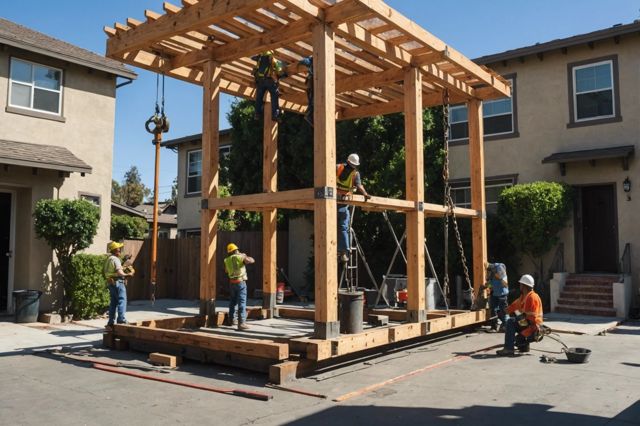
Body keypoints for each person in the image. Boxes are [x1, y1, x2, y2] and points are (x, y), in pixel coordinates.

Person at [496, 274, 543, 356]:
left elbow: (532, 319)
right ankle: (524, 346)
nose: (520, 285)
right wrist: (504, 311)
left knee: (510, 322)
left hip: (533, 326)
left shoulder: (532, 298)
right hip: (529, 323)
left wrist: (524, 333)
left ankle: (508, 349)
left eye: (521, 284)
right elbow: (513, 307)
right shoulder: (524, 297)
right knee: (515, 317)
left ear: (524, 286)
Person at [336, 153, 371, 263]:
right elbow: (359, 185)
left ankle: (342, 252)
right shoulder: (353, 173)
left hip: (337, 199)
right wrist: (365, 194)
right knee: (343, 226)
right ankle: (343, 252)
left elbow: (359, 185)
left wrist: (365, 194)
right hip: (338, 200)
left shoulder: (339, 168)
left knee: (341, 226)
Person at [224, 243, 255, 331]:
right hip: (241, 282)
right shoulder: (240, 257)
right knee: (242, 302)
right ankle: (241, 323)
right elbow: (251, 261)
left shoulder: (226, 260)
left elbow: (226, 271)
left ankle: (231, 320)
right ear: (236, 250)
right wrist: (244, 256)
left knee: (232, 302)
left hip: (232, 283)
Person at [103, 241, 134, 328]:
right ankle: (121, 320)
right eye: (119, 250)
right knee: (122, 300)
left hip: (111, 282)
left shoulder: (108, 259)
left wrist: (124, 260)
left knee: (113, 302)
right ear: (116, 250)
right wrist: (128, 274)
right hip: (118, 282)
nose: (120, 251)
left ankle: (111, 322)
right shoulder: (116, 259)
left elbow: (111, 270)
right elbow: (119, 272)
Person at [252, 50, 287, 122]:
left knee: (259, 98)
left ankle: (257, 114)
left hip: (260, 81)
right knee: (274, 97)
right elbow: (279, 71)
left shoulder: (260, 59)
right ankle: (275, 115)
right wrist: (284, 74)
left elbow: (255, 68)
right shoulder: (272, 59)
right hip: (270, 81)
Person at [483, 262, 509, 331]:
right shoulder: (491, 271)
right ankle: (494, 327)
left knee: (503, 310)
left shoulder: (499, 268)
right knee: (493, 310)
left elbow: (505, 283)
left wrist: (498, 277)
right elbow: (492, 283)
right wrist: (487, 286)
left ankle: (506, 326)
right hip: (495, 294)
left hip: (502, 294)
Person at [298, 55, 313, 126]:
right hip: (312, 84)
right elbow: (303, 61)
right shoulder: (312, 60)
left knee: (312, 100)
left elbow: (302, 61)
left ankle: (308, 114)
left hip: (310, 85)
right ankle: (309, 115)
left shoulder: (312, 60)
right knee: (313, 100)